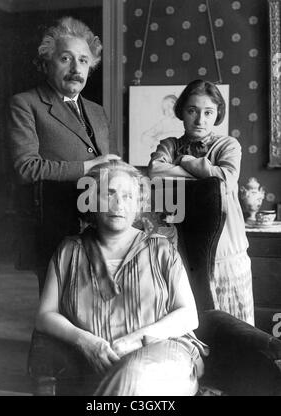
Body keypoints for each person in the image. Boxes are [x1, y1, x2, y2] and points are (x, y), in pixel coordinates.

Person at [35, 160, 208, 396]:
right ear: (92, 200)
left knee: (134, 378)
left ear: (138, 204)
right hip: (96, 361)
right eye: (110, 194)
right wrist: (86, 342)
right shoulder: (70, 251)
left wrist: (134, 341)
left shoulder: (160, 249)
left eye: (128, 196)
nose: (119, 204)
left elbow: (188, 315)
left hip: (162, 354)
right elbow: (45, 316)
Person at [7, 16, 119, 292]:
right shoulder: (25, 104)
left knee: (96, 304)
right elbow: (26, 168)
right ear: (47, 62)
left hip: (98, 224)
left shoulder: (96, 111)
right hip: (53, 225)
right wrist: (87, 166)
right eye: (65, 59)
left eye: (83, 60)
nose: (75, 68)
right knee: (58, 305)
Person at [148, 79, 254, 326]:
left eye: (208, 112)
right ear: (182, 112)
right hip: (181, 245)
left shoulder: (228, 145)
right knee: (193, 322)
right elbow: (155, 170)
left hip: (225, 250)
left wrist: (183, 161)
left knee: (233, 325)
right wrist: (205, 176)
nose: (200, 119)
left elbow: (225, 180)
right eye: (192, 110)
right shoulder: (169, 145)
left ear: (217, 114)